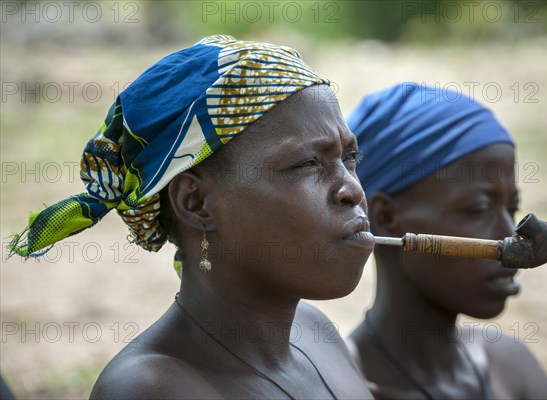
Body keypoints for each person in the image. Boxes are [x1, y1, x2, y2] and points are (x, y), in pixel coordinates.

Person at [7, 35, 375, 399]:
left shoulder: (316, 334)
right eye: (308, 163)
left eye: (349, 158)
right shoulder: (152, 389)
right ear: (196, 201)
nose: (352, 190)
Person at [346, 83, 547, 399]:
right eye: (478, 209)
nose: (508, 232)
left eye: (512, 209)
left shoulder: (513, 369)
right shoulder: (339, 389)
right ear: (386, 218)